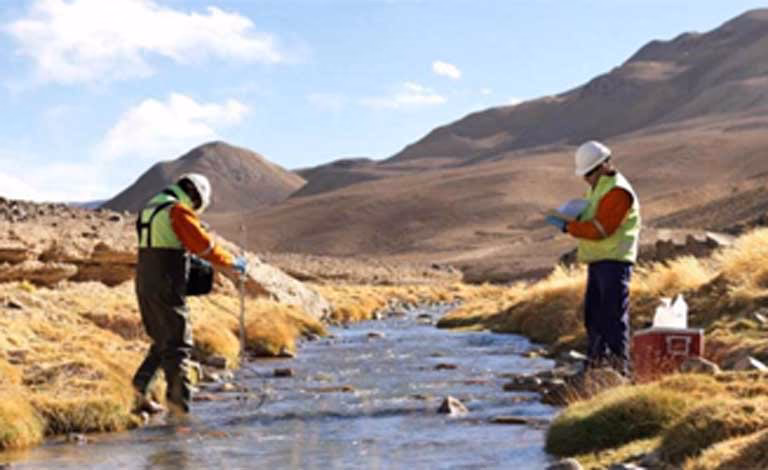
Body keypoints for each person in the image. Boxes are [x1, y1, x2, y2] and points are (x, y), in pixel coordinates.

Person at [132, 173, 247, 415]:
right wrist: (232, 263)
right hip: (167, 285)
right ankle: (179, 412)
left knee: (162, 342)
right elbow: (203, 245)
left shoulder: (151, 207)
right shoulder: (176, 210)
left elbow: (163, 244)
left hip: (145, 284)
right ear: (194, 195)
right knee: (179, 345)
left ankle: (137, 393)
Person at [547, 141, 641, 376]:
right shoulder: (598, 188)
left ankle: (620, 370)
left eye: (589, 173)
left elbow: (602, 229)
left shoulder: (618, 191)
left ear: (604, 165)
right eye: (585, 174)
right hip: (600, 260)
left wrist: (570, 227)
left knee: (612, 317)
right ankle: (595, 366)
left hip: (615, 261)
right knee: (595, 317)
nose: (586, 179)